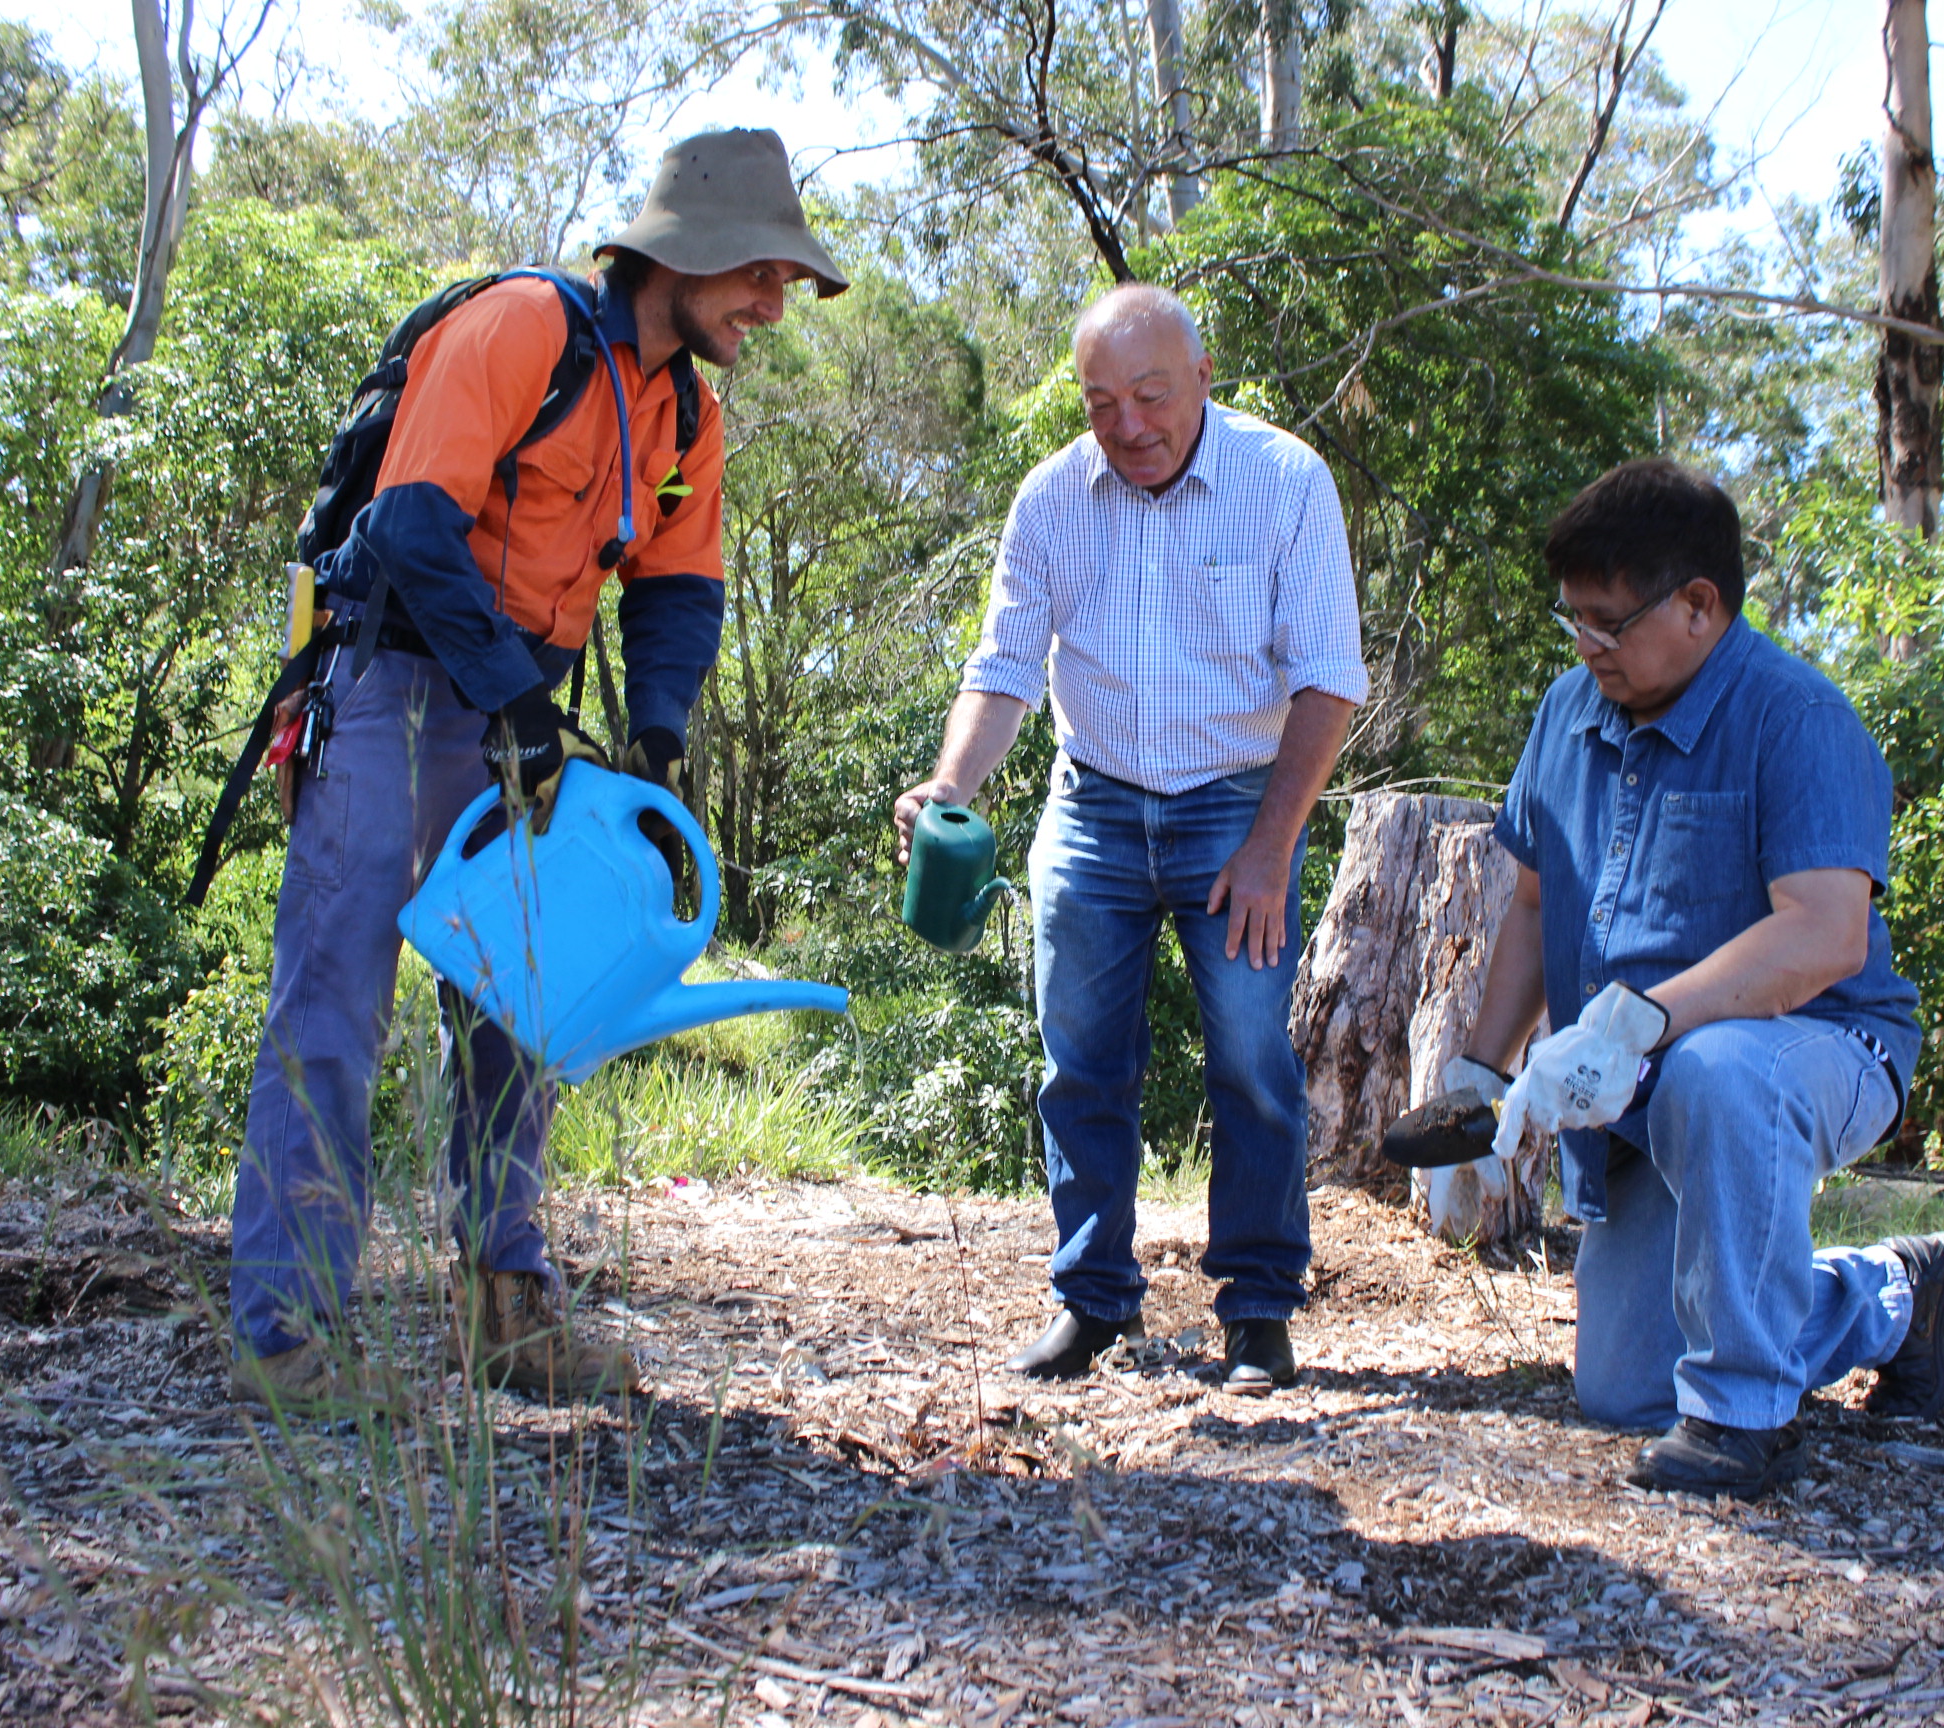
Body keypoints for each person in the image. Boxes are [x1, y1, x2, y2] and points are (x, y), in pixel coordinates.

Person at [228, 130, 847, 1410]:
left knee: (523, 1008)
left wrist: (659, 734)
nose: (774, 305)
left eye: (787, 281)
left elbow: (678, 588)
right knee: (335, 1003)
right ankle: (289, 1340)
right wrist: (509, 697)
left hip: (522, 716)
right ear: (688, 254)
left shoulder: (687, 413)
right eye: (763, 275)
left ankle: (505, 1312)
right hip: (398, 681)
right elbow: (409, 523)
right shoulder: (521, 328)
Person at [1430, 458, 1944, 1497]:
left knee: (1716, 1071)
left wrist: (1634, 1027)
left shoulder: (1797, 719)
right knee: (1625, 1391)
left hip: (1813, 1052)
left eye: (1607, 625)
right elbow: (1537, 905)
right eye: (1571, 623)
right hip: (1637, 1097)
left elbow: (1823, 939)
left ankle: (1741, 1417)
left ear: (1698, 606)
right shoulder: (1565, 715)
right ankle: (1898, 1295)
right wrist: (1479, 1075)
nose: (1587, 648)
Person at [893, 284, 1367, 1395]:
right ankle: (1091, 1300)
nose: (1130, 426)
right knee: (1080, 1060)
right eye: (1103, 403)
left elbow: (1327, 683)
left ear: (1203, 378)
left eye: (1152, 396)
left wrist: (1268, 847)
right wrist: (949, 784)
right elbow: (1004, 666)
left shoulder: (1286, 482)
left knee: (1252, 1062)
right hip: (1093, 798)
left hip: (1237, 804)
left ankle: (1256, 1309)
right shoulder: (1053, 497)